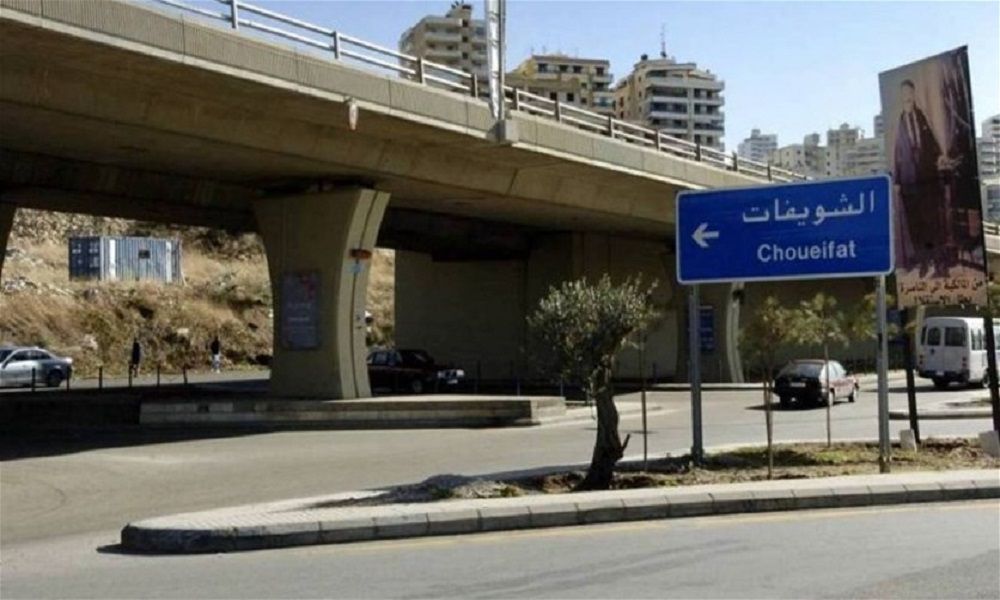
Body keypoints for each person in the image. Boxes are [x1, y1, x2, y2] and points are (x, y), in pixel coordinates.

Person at [892, 79, 948, 277]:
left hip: (926, 179)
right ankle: (924, 262)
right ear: (901, 97)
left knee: (931, 222)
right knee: (915, 226)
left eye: (909, 92)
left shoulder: (920, 116)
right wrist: (897, 181)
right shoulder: (899, 122)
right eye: (904, 93)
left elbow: (930, 140)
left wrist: (939, 155)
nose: (907, 96)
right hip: (908, 183)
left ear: (913, 94)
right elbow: (897, 153)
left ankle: (938, 263)